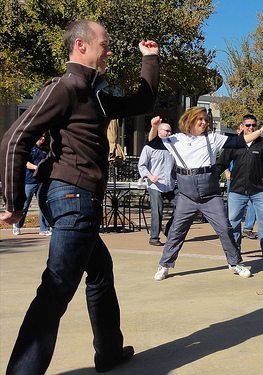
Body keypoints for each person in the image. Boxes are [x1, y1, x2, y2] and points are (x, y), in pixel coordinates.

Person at [0, 20, 159, 373]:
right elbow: (14, 140)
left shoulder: (95, 95)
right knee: (55, 289)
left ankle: (109, 352)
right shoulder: (66, 87)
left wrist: (149, 59)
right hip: (72, 197)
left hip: (78, 200)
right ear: (81, 46)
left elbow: (143, 101)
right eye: (104, 43)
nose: (110, 49)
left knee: (100, 269)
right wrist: (13, 203)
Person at [152, 107, 263, 281]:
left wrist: (261, 130)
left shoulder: (212, 138)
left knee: (225, 228)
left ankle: (235, 262)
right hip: (186, 195)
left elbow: (241, 141)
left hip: (210, 194)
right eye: (199, 119)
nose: (203, 122)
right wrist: (154, 128)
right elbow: (152, 143)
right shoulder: (176, 139)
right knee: (176, 231)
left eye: (205, 120)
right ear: (190, 120)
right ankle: (164, 265)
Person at [218, 115, 263, 259]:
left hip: (258, 189)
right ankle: (235, 250)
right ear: (242, 126)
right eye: (248, 125)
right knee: (233, 220)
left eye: (253, 125)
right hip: (237, 189)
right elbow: (222, 163)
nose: (251, 128)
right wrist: (213, 176)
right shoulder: (235, 143)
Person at [138, 120, 176, 246]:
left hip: (170, 184)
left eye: (171, 131)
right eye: (167, 131)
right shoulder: (149, 147)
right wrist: (149, 176)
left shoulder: (173, 146)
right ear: (159, 132)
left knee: (182, 206)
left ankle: (168, 228)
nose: (170, 133)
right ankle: (154, 238)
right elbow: (142, 165)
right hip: (155, 184)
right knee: (157, 210)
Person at [12, 134, 51, 236]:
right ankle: (17, 226)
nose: (42, 138)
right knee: (25, 205)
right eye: (41, 136)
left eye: (44, 137)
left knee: (43, 205)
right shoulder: (29, 148)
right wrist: (37, 167)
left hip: (41, 182)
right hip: (29, 182)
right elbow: (25, 163)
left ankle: (44, 229)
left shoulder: (45, 150)